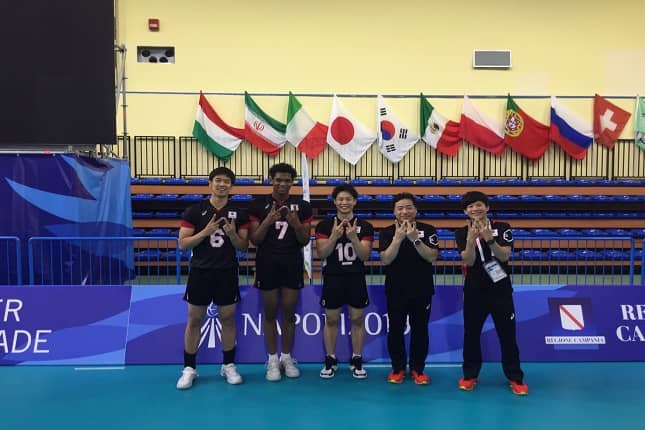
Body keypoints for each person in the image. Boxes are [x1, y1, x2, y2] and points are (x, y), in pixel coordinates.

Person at [175, 167, 250, 389]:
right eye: (218, 180)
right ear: (210, 183)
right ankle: (189, 368)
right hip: (200, 271)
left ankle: (228, 365)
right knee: (194, 319)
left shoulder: (239, 213)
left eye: (226, 181)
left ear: (231, 186)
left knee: (228, 318)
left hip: (227, 271)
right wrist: (205, 233)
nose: (222, 184)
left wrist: (232, 234)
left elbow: (243, 246)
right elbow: (183, 244)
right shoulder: (195, 210)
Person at [454, 191, 528, 396]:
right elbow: (468, 260)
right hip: (474, 291)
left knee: (507, 335)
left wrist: (490, 240)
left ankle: (515, 378)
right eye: (470, 206)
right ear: (465, 211)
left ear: (487, 207)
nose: (475, 209)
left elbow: (504, 256)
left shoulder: (502, 228)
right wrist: (470, 241)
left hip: (500, 290)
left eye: (478, 205)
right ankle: (470, 375)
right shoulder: (461, 232)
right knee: (471, 335)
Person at [248, 163, 313, 381]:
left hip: (292, 264)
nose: (283, 184)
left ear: (292, 182)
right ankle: (272, 359)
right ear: (271, 180)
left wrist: (296, 224)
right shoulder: (258, 204)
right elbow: (255, 239)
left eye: (287, 180)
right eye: (278, 179)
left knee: (288, 314)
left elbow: (305, 240)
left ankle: (286, 357)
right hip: (267, 264)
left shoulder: (302, 206)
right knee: (269, 314)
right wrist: (267, 222)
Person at [379, 192, 439, 384]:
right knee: (395, 329)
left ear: (415, 209)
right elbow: (386, 259)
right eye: (400, 208)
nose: (404, 211)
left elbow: (431, 256)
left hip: (422, 289)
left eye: (408, 207)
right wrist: (398, 239)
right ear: (394, 212)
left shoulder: (428, 230)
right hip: (395, 289)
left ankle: (417, 369)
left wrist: (415, 239)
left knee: (420, 330)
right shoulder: (386, 232)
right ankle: (397, 368)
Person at [315, 184, 374, 379]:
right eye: (340, 199)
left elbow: (364, 256)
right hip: (333, 277)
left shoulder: (365, 226)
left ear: (355, 201)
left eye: (348, 199)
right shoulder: (324, 226)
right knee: (331, 319)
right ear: (334, 202)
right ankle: (330, 359)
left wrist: (353, 238)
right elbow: (322, 253)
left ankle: (356, 359)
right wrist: (334, 236)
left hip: (355, 277)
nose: (344, 202)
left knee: (357, 319)